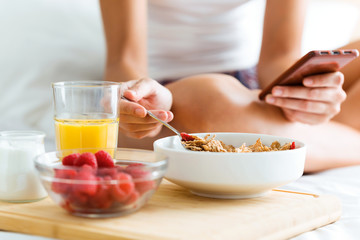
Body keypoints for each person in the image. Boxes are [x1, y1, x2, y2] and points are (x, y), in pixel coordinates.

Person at [99, 0, 360, 173]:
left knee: (228, 111)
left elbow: (278, 57)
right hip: (168, 91)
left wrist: (301, 93)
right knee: (215, 104)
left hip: (251, 85)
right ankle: (343, 134)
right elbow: (124, 60)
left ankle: (326, 132)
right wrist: (140, 99)